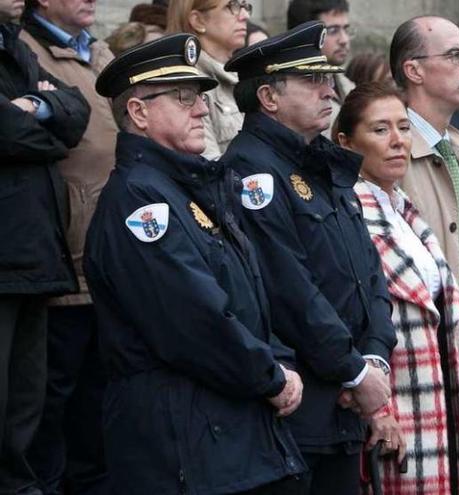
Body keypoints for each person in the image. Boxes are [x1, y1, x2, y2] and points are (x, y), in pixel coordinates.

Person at [84, 33, 306, 494]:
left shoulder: (188, 187)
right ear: (139, 112)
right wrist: (270, 376)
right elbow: (193, 321)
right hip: (183, 445)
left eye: (200, 97)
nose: (202, 109)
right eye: (184, 98)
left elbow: (251, 295)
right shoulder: (140, 202)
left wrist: (279, 362)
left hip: (221, 435)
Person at [222, 23, 396, 494]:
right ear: (269, 98)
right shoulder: (251, 171)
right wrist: (353, 370)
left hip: (345, 403)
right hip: (302, 410)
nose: (329, 91)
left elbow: (369, 273)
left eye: (328, 79)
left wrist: (375, 356)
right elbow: (288, 288)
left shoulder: (320, 161)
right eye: (312, 82)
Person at [338, 82, 459, 495]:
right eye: (380, 130)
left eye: (403, 127)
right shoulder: (347, 209)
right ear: (346, 142)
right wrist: (379, 408)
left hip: (438, 400)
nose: (398, 141)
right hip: (391, 402)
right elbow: (352, 317)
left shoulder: (403, 208)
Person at [389, 14, 459, 468]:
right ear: (413, 70)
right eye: (455, 56)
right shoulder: (388, 149)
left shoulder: (458, 146)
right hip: (419, 366)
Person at [17, 0, 116, 491]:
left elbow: (84, 114)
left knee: (97, 404)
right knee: (53, 402)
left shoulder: (97, 48)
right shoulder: (28, 46)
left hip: (109, 255)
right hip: (65, 254)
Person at [0, 0, 89, 490]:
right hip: (9, 253)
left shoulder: (15, 47)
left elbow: (75, 113)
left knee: (26, 405)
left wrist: (38, 107)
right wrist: (50, 134)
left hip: (34, 252)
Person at [166, 0, 251, 158]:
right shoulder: (187, 84)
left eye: (245, 6)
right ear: (198, 21)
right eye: (231, 6)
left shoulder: (240, 76)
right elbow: (208, 168)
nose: (245, 15)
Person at [286, 0, 355, 138]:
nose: (344, 40)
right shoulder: (291, 95)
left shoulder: (348, 85)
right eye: (333, 31)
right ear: (305, 35)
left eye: (346, 29)